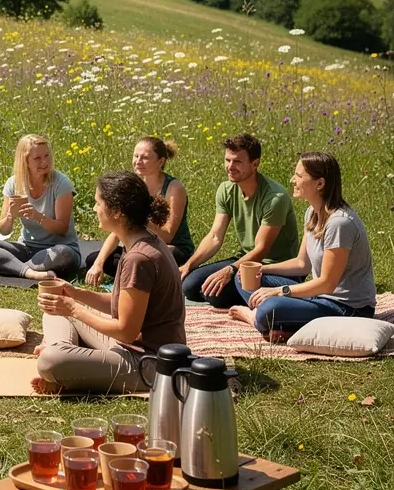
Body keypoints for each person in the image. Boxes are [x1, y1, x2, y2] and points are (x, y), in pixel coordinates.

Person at [32, 171, 185, 395]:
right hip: (129, 349)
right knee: (56, 311)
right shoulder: (141, 243)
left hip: (150, 365)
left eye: (98, 203)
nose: (94, 209)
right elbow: (120, 306)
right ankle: (71, 362)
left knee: (50, 361)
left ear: (117, 212)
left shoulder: (139, 259)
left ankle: (65, 366)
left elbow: (126, 331)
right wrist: (74, 294)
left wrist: (75, 309)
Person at [230, 152, 376, 340]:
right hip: (319, 296)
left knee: (269, 309)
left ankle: (255, 318)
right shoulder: (312, 213)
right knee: (243, 277)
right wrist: (261, 268)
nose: (292, 180)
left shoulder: (340, 223)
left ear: (320, 184)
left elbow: (327, 283)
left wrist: (279, 291)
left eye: (299, 176)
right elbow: (302, 264)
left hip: (348, 308)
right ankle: (287, 326)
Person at [179, 133, 300, 309]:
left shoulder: (275, 197)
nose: (230, 166)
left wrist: (230, 270)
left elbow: (260, 251)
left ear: (255, 164)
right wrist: (189, 265)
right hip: (243, 259)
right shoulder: (226, 190)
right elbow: (214, 236)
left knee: (215, 295)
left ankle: (269, 299)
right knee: (189, 286)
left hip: (274, 267)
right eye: (227, 160)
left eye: (237, 162)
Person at [0, 134, 81, 279]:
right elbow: (3, 230)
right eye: (37, 158)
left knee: (64, 254)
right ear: (24, 161)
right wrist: (10, 216)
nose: (45, 162)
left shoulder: (61, 183)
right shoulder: (13, 183)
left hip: (57, 249)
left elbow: (62, 229)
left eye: (47, 156)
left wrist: (37, 216)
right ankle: (30, 272)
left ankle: (7, 267)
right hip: (27, 248)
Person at [85, 136, 194, 282]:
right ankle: (140, 273)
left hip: (172, 249)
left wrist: (137, 215)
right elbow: (118, 229)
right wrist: (98, 264)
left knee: (149, 259)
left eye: (145, 157)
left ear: (161, 161)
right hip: (140, 246)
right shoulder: (135, 186)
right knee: (94, 259)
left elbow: (168, 235)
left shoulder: (174, 188)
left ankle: (143, 274)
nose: (138, 161)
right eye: (136, 156)